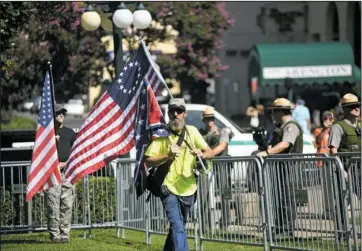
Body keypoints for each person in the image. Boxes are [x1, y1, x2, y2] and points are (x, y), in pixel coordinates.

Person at [145, 98, 214, 251]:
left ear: (185, 114)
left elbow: (210, 152)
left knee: (178, 226)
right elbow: (148, 160)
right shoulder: (162, 134)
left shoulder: (192, 132)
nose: (175, 114)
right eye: (172, 111)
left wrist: (202, 155)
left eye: (179, 111)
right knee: (177, 226)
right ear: (168, 114)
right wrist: (167, 155)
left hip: (189, 188)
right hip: (168, 187)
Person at [256, 98, 303, 238]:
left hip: (290, 168)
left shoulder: (291, 126)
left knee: (287, 198)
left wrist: (267, 153)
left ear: (281, 111)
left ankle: (287, 230)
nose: (272, 114)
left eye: (274, 111)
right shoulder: (280, 126)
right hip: (281, 168)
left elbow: (285, 144)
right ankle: (279, 227)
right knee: (279, 198)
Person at [328, 93, 361, 241]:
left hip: (359, 170)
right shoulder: (338, 127)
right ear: (345, 109)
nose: (357, 108)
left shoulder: (359, 127)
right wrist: (342, 170)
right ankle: (342, 234)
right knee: (342, 203)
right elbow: (333, 150)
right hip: (345, 171)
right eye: (352, 106)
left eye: (358, 105)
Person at [45, 104, 76, 243]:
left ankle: (65, 235)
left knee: (67, 205)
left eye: (63, 113)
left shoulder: (70, 133)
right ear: (52, 115)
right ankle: (55, 235)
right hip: (51, 174)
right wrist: (54, 164)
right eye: (58, 113)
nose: (61, 115)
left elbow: (76, 153)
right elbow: (40, 154)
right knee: (53, 206)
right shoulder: (46, 133)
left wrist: (65, 163)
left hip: (67, 174)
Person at [200, 106, 232, 228]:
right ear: (203, 120)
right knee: (204, 194)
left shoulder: (223, 131)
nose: (210, 121)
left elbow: (222, 146)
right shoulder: (200, 133)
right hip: (206, 165)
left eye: (212, 118)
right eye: (207, 119)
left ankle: (225, 222)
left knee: (225, 193)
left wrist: (208, 154)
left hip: (222, 164)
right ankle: (206, 224)